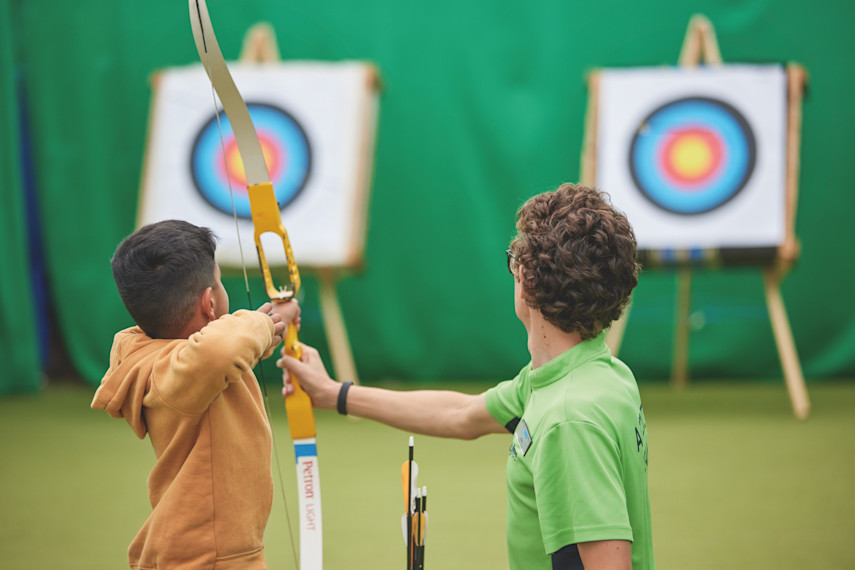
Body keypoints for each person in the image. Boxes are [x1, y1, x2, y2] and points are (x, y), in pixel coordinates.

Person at [279, 183, 654, 569]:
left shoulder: (568, 418)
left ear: (526, 280)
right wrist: (334, 394)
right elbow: (461, 414)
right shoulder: (592, 374)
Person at [91, 219, 300, 569]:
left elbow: (217, 352)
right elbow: (219, 351)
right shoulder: (176, 369)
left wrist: (268, 329)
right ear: (210, 303)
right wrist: (260, 326)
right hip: (209, 555)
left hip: (202, 549)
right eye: (218, 282)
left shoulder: (163, 357)